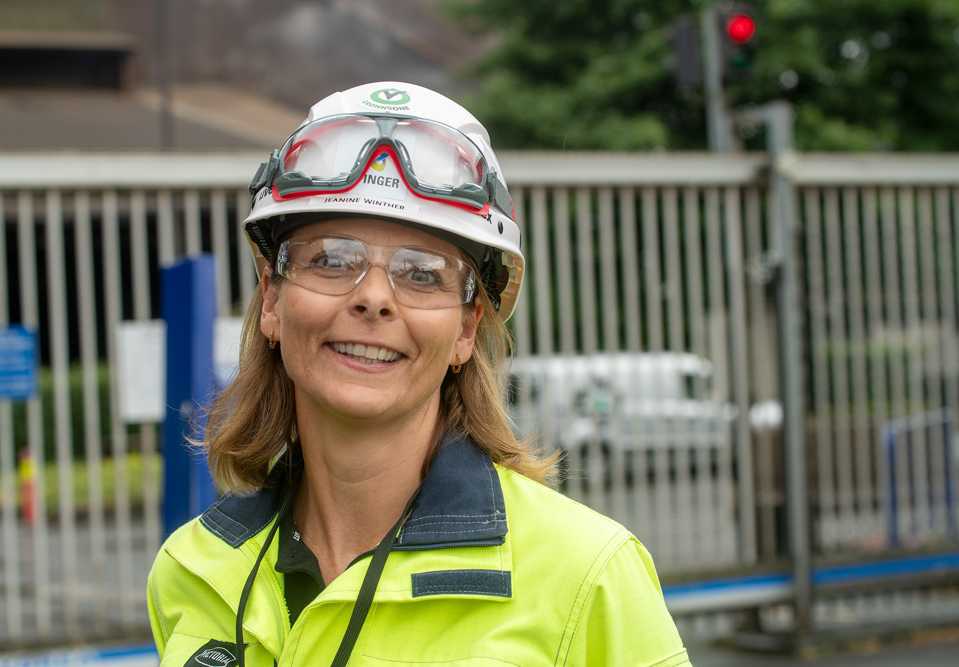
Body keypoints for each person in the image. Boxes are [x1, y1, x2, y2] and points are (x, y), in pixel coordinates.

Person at [146, 81, 692, 667]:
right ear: (273, 298)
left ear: (465, 329)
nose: (375, 298)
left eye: (423, 273)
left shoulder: (590, 577)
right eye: (332, 258)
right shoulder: (192, 568)